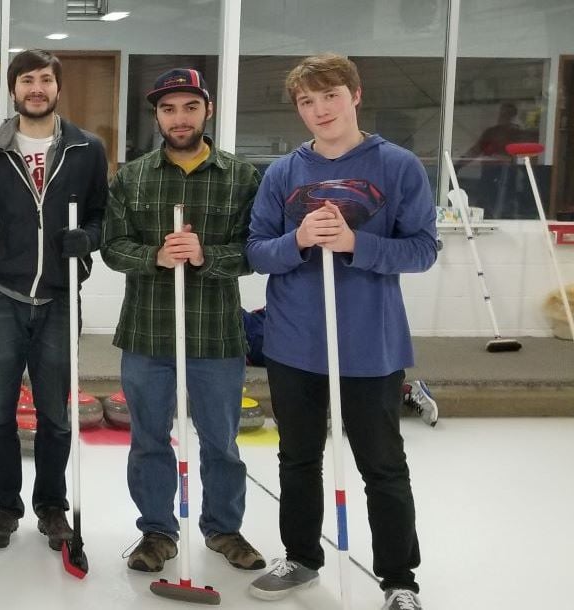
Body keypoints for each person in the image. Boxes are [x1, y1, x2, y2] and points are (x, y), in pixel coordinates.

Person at [246, 53, 435, 610]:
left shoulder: (398, 166)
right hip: (293, 342)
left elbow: (424, 249)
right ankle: (302, 558)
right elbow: (257, 252)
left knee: (382, 464)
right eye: (307, 101)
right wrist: (299, 239)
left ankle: (400, 579)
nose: (319, 109)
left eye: (329, 96)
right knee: (298, 458)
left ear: (354, 94)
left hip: (369, 345)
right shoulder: (283, 173)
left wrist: (355, 245)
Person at [101, 68, 265, 574]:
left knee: (221, 440)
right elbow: (112, 247)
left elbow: (255, 252)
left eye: (189, 107)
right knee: (149, 437)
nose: (179, 118)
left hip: (215, 334)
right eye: (168, 109)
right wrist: (155, 255)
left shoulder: (241, 177)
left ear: (207, 111)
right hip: (148, 332)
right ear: (156, 116)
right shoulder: (132, 176)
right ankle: (157, 531)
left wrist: (205, 255)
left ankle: (223, 529)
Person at [0, 49, 108, 550]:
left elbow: (103, 219)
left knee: (55, 413)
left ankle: (52, 507)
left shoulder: (87, 148)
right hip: (0, 294)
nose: (36, 88)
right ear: (13, 90)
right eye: (26, 80)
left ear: (58, 88)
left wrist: (89, 240)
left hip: (60, 298)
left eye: (45, 80)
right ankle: (3, 507)